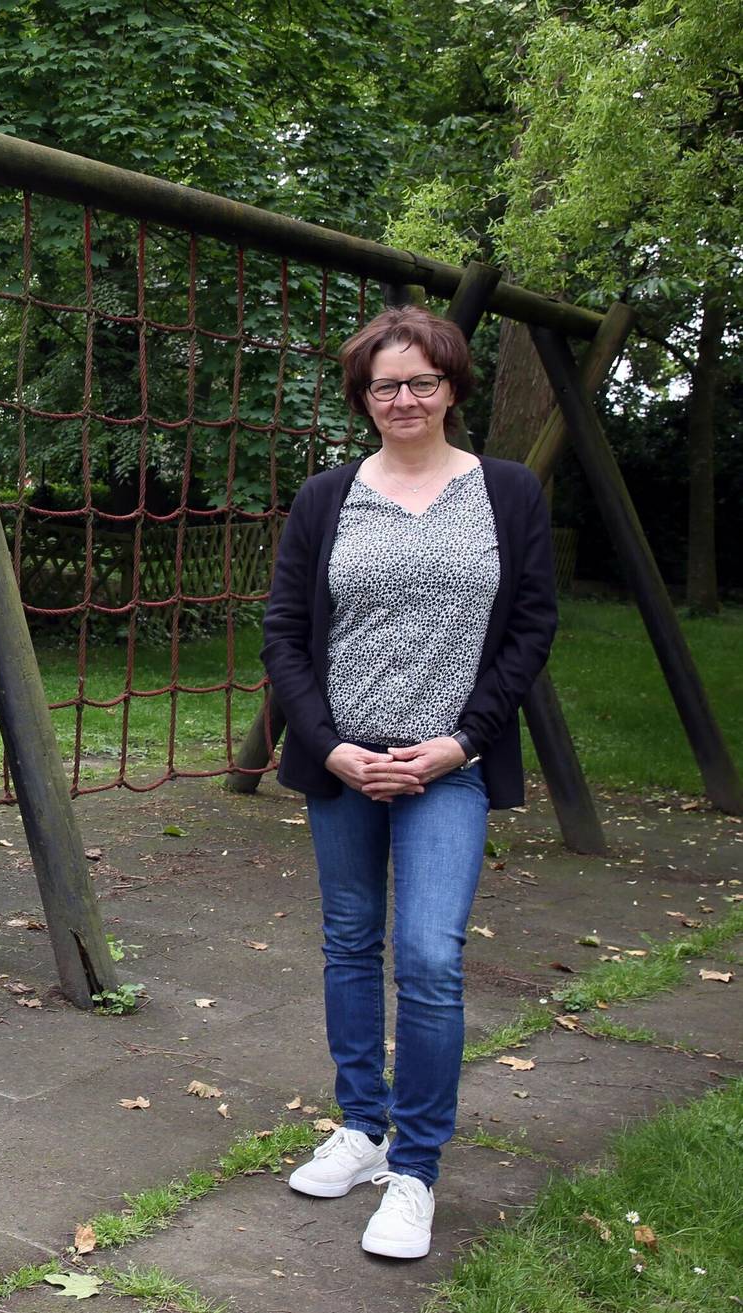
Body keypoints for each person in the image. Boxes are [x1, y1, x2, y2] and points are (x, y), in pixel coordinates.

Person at [262, 305, 557, 1258]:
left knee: (428, 957)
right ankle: (361, 1125)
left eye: (421, 382)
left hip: (447, 766)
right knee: (350, 941)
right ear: (363, 397)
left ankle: (416, 1166)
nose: (403, 399)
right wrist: (329, 746)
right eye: (384, 385)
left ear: (452, 388)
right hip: (346, 762)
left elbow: (532, 629)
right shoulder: (328, 497)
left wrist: (461, 744)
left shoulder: (506, 492)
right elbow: (284, 633)